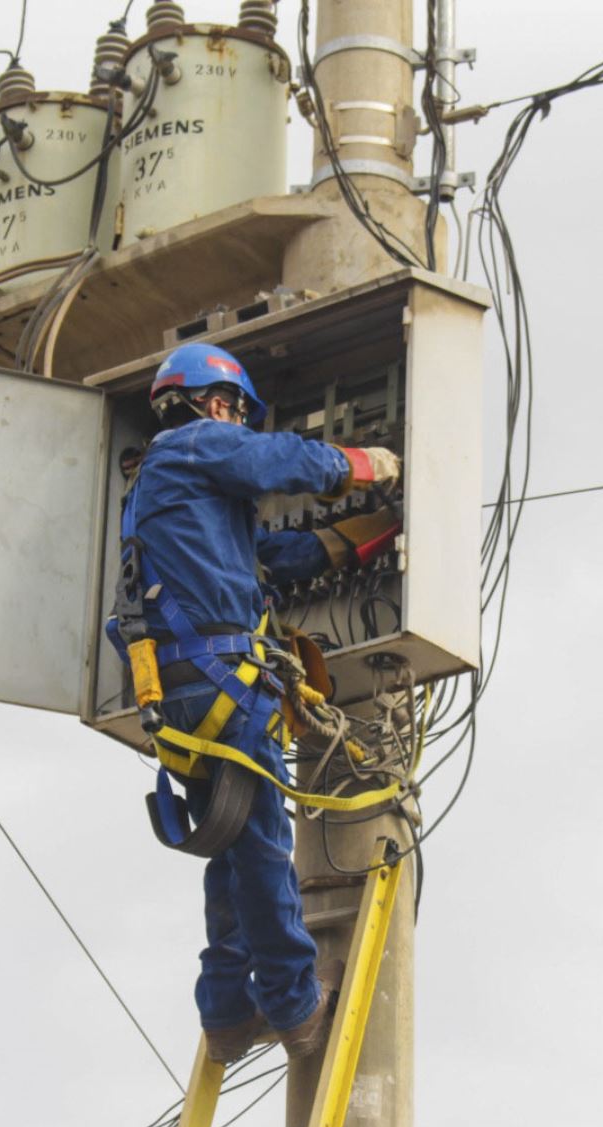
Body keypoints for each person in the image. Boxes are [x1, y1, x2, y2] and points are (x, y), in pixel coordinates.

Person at [117, 342, 401, 1063]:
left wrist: (364, 537)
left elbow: (272, 562)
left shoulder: (179, 504)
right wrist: (365, 465)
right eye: (237, 414)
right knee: (266, 847)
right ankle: (292, 1003)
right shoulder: (191, 446)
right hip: (220, 682)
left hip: (187, 687)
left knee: (235, 843)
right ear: (218, 405)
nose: (237, 426)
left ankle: (226, 1015)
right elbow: (282, 463)